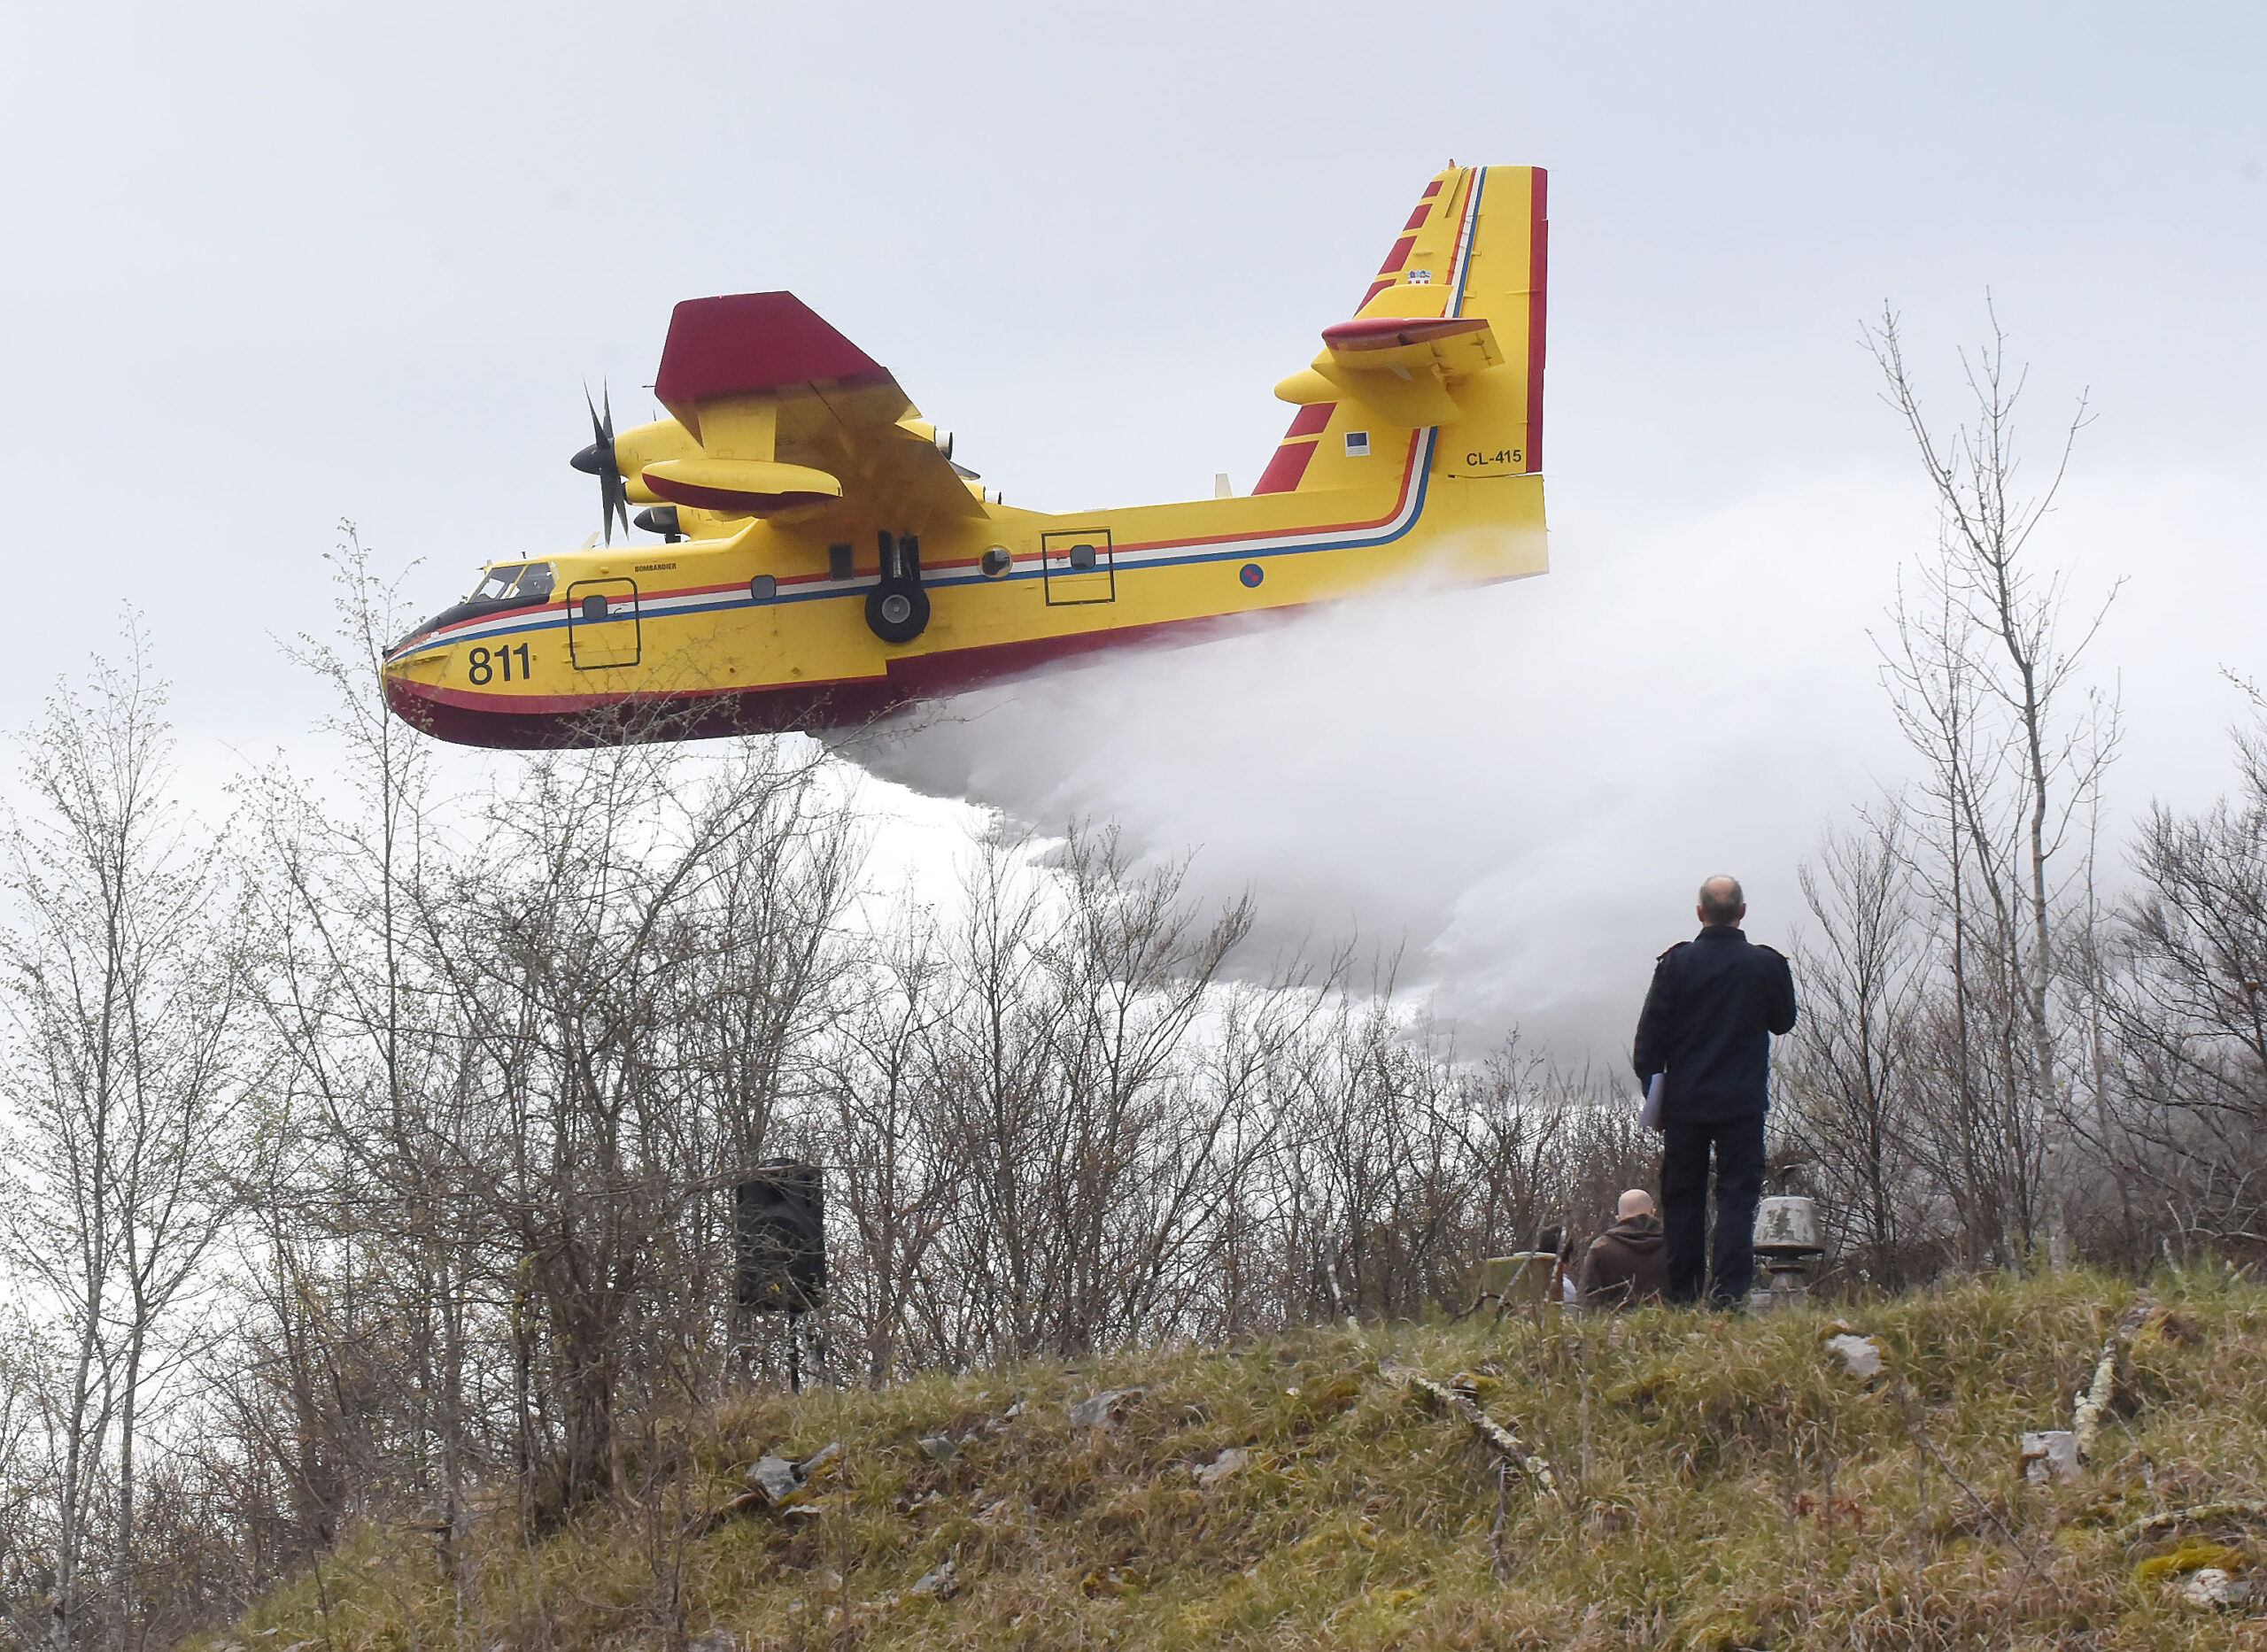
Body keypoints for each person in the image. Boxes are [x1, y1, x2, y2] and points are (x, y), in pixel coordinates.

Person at [1631, 875, 1798, 1307]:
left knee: (1683, 1198)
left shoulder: (1675, 964)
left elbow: (1649, 1042)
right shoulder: (1767, 965)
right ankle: (1727, 1296)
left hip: (1685, 1105)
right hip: (1742, 1103)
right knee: (1738, 1197)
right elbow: (1783, 1021)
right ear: (1742, 912)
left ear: (1700, 912)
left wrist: (1655, 1096)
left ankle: (1683, 1297)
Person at [1578, 1189, 1667, 1308]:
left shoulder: (1600, 1249)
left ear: (1619, 1218)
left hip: (1614, 1324)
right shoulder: (1678, 1245)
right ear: (1652, 1212)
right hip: (1673, 1324)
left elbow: (1591, 1302)